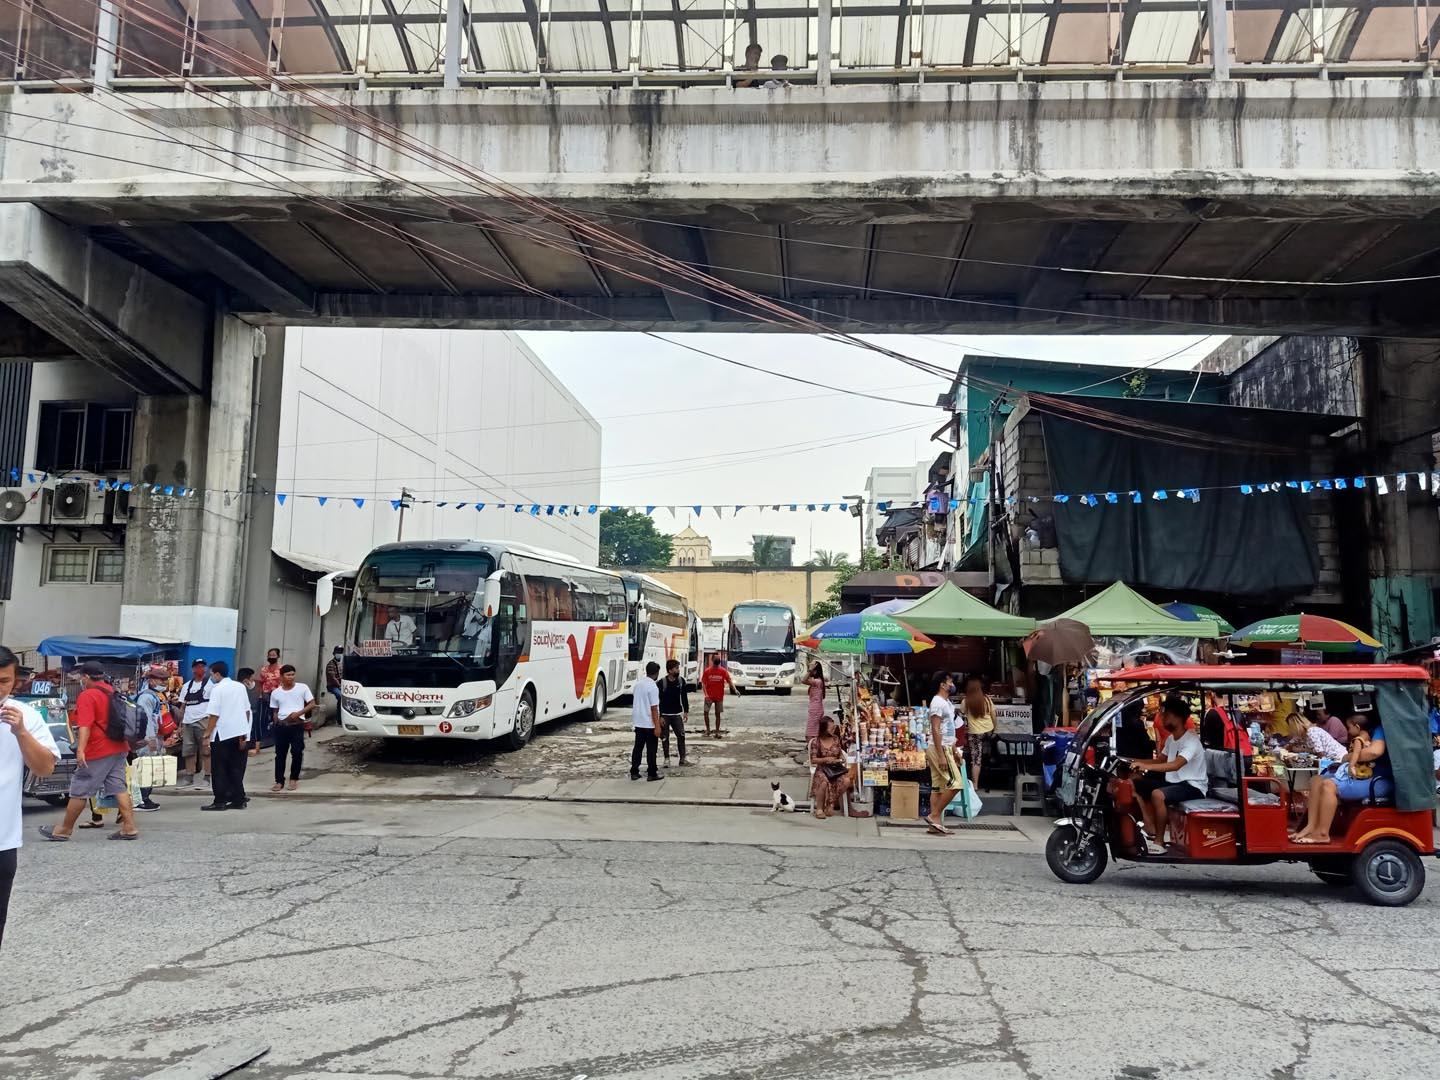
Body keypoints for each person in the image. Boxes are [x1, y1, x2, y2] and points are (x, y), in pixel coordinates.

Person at [39, 661, 139, 842]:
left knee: (80, 788)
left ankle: (64, 830)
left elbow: (85, 725)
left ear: (85, 676)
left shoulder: (88, 695)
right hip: (120, 747)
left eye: (80, 677)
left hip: (98, 749)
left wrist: (81, 751)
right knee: (119, 787)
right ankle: (129, 827)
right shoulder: (112, 691)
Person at [0, 645, 60, 948]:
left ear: (14, 682)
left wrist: (21, 733)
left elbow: (45, 768)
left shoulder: (26, 716)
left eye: (2, 681)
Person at [1292, 713, 1392, 844]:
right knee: (1316, 780)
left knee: (1329, 785)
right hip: (1362, 776)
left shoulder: (1379, 730)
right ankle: (1311, 826)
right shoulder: (1366, 732)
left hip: (1378, 779)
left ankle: (1322, 834)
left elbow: (1374, 752)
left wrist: (1347, 758)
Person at [1129, 695, 1208, 853]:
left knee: (1158, 795)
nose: (1162, 718)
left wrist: (1145, 766)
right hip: (1174, 782)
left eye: (1166, 715)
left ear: (1177, 717)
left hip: (1192, 785)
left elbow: (1175, 765)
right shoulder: (1172, 739)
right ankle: (1148, 824)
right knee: (1133, 782)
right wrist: (1132, 760)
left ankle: (1159, 842)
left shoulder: (1191, 740)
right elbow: (1160, 760)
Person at [203, 662, 252, 812]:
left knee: (219, 769)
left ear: (217, 674)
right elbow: (247, 711)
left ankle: (220, 801)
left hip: (222, 733)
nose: (211, 677)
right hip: (239, 732)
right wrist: (245, 732)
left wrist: (207, 734)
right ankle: (238, 799)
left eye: (211, 674)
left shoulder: (217, 689)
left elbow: (214, 715)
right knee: (236, 768)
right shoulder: (240, 687)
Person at [923, 672, 961, 837]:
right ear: (942, 684)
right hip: (940, 748)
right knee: (956, 783)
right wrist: (941, 754)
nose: (952, 684)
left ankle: (935, 825)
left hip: (945, 746)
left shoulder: (946, 703)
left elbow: (947, 729)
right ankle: (934, 815)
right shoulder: (937, 702)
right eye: (950, 681)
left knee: (938, 786)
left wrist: (954, 749)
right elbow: (935, 729)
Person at [269, 664, 316, 792]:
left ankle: (294, 779)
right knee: (280, 754)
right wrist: (276, 720)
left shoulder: (302, 688)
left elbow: (312, 704)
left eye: (292, 674)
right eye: (288, 675)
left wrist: (298, 714)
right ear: (281, 677)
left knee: (296, 752)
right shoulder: (276, 692)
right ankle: (279, 781)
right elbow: (275, 710)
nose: (291, 677)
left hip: (296, 725)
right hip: (281, 726)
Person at [133, 665, 169, 813]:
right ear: (152, 681)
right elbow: (145, 719)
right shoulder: (147, 697)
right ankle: (140, 800)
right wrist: (150, 739)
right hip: (147, 739)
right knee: (145, 769)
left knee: (149, 769)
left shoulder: (154, 696)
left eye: (166, 680)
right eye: (162, 680)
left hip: (152, 737)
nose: (165, 683)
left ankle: (144, 797)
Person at [809, 715, 853, 820]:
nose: (833, 730)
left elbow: (840, 754)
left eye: (834, 728)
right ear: (824, 729)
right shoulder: (816, 742)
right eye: (831, 728)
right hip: (823, 769)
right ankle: (819, 809)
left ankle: (831, 803)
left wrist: (841, 759)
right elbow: (813, 760)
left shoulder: (836, 739)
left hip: (835, 769)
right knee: (823, 782)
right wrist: (826, 759)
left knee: (846, 781)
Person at [178, 658, 213, 788]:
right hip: (188, 722)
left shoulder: (210, 685)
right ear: (193, 669)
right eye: (197, 666)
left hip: (203, 721)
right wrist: (180, 725)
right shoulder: (187, 686)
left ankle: (207, 776)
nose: (200, 669)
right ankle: (189, 776)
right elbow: (182, 706)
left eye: (202, 666)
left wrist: (211, 724)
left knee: (206, 750)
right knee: (188, 751)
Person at [960, 674, 995, 789]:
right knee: (984, 755)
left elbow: (962, 713)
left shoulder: (966, 701)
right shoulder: (987, 700)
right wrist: (995, 728)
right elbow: (993, 716)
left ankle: (975, 785)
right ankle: (990, 759)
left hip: (975, 732)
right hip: (988, 732)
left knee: (976, 759)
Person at [630, 660, 663, 782]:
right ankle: (652, 773)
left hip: (638, 722)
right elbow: (654, 708)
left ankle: (634, 771)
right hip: (649, 722)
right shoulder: (653, 687)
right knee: (651, 749)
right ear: (656, 673)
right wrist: (657, 726)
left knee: (637, 748)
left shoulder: (638, 684)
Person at [657, 659, 690, 768]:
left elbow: (684, 697)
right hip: (665, 715)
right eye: (676, 668)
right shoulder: (662, 683)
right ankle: (667, 759)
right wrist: (660, 716)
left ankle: (683, 759)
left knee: (681, 736)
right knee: (665, 737)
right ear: (670, 670)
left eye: (678, 668)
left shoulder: (681, 681)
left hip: (676, 714)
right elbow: (658, 701)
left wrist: (686, 711)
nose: (678, 670)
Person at [700, 654, 734, 739]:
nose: (718, 659)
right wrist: (706, 694)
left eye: (718, 658)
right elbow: (703, 683)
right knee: (705, 713)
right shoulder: (707, 671)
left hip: (719, 696)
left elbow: (729, 681)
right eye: (716, 658)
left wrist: (735, 690)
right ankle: (708, 730)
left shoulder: (723, 671)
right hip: (709, 696)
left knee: (717, 714)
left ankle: (717, 732)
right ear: (712, 660)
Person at [238, 667, 261, 757]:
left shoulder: (256, 686)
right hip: (242, 713)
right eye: (251, 677)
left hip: (253, 711)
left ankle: (256, 748)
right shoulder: (238, 687)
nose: (252, 679)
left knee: (255, 728)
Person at [801, 662, 827, 741]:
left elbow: (803, 680)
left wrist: (809, 670)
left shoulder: (817, 682)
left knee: (811, 733)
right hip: (815, 708)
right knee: (814, 730)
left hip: (815, 709)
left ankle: (813, 747)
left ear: (815, 670)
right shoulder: (817, 681)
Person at [325, 646, 344, 715]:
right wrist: (340, 686)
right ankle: (339, 718)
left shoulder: (341, 664)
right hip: (332, 686)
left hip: (341, 686)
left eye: (341, 652)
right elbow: (333, 678)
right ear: (334, 653)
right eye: (338, 652)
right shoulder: (331, 664)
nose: (339, 654)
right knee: (341, 697)